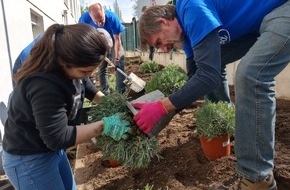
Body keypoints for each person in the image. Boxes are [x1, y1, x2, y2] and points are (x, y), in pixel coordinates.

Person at [134, 1, 290, 189]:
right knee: (213, 65)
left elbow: (208, 78)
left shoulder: (191, 8)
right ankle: (243, 154)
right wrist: (152, 124)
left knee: (251, 76)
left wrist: (161, 106)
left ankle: (257, 179)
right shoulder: (188, 36)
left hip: (283, 8)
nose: (165, 49)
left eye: (159, 42)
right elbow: (195, 80)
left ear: (163, 22)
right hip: (262, 22)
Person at [2, 23, 132, 190]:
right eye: (85, 71)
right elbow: (58, 137)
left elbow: (87, 87)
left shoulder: (70, 67)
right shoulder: (44, 85)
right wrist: (105, 126)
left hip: (51, 150)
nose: (89, 75)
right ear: (64, 62)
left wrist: (110, 103)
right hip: (29, 158)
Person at [79, 2, 126, 95]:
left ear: (104, 12)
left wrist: (116, 58)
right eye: (96, 22)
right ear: (90, 16)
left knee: (119, 64)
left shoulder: (112, 18)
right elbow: (83, 38)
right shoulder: (84, 20)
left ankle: (120, 94)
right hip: (98, 45)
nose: (100, 23)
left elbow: (117, 40)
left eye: (101, 19)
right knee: (101, 67)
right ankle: (105, 93)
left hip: (113, 43)